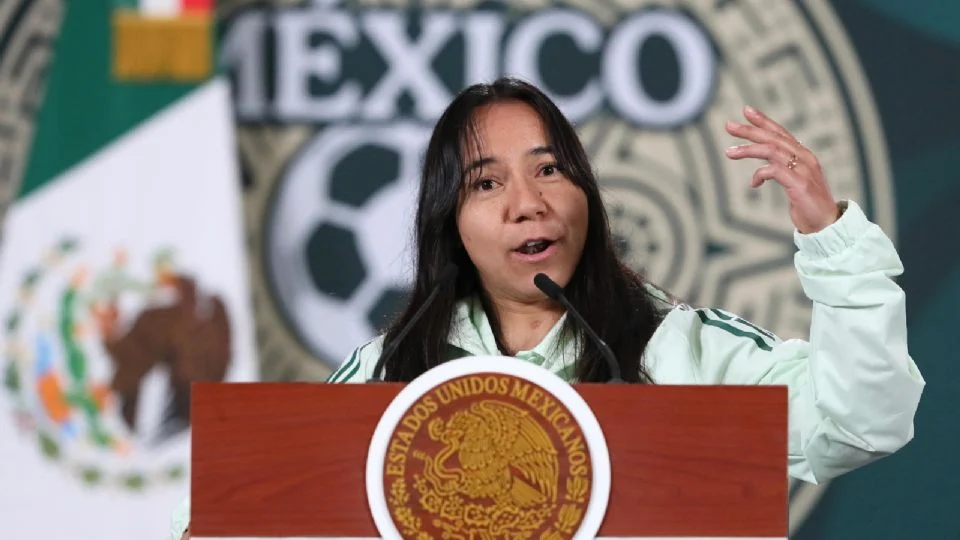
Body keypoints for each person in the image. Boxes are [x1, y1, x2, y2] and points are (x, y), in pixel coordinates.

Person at [171, 76, 924, 535]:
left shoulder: (678, 348)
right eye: (486, 183)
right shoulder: (389, 369)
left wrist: (831, 241)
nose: (528, 204)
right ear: (450, 223)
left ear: (586, 195)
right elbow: (234, 510)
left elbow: (861, 423)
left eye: (550, 170)